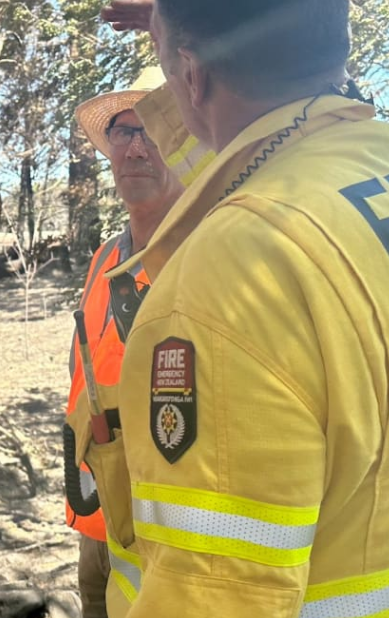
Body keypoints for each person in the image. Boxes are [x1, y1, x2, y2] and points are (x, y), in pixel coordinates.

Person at [68, 0, 389, 615]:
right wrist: (186, 32)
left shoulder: (231, 270)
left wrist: (186, 37)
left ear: (190, 77)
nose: (138, 145)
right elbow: (247, 146)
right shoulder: (359, 167)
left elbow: (217, 594)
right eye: (122, 131)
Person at [64, 66, 183, 618]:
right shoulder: (103, 261)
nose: (136, 148)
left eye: (152, 131)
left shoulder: (207, 256)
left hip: (171, 532)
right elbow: (81, 368)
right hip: (100, 518)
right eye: (122, 132)